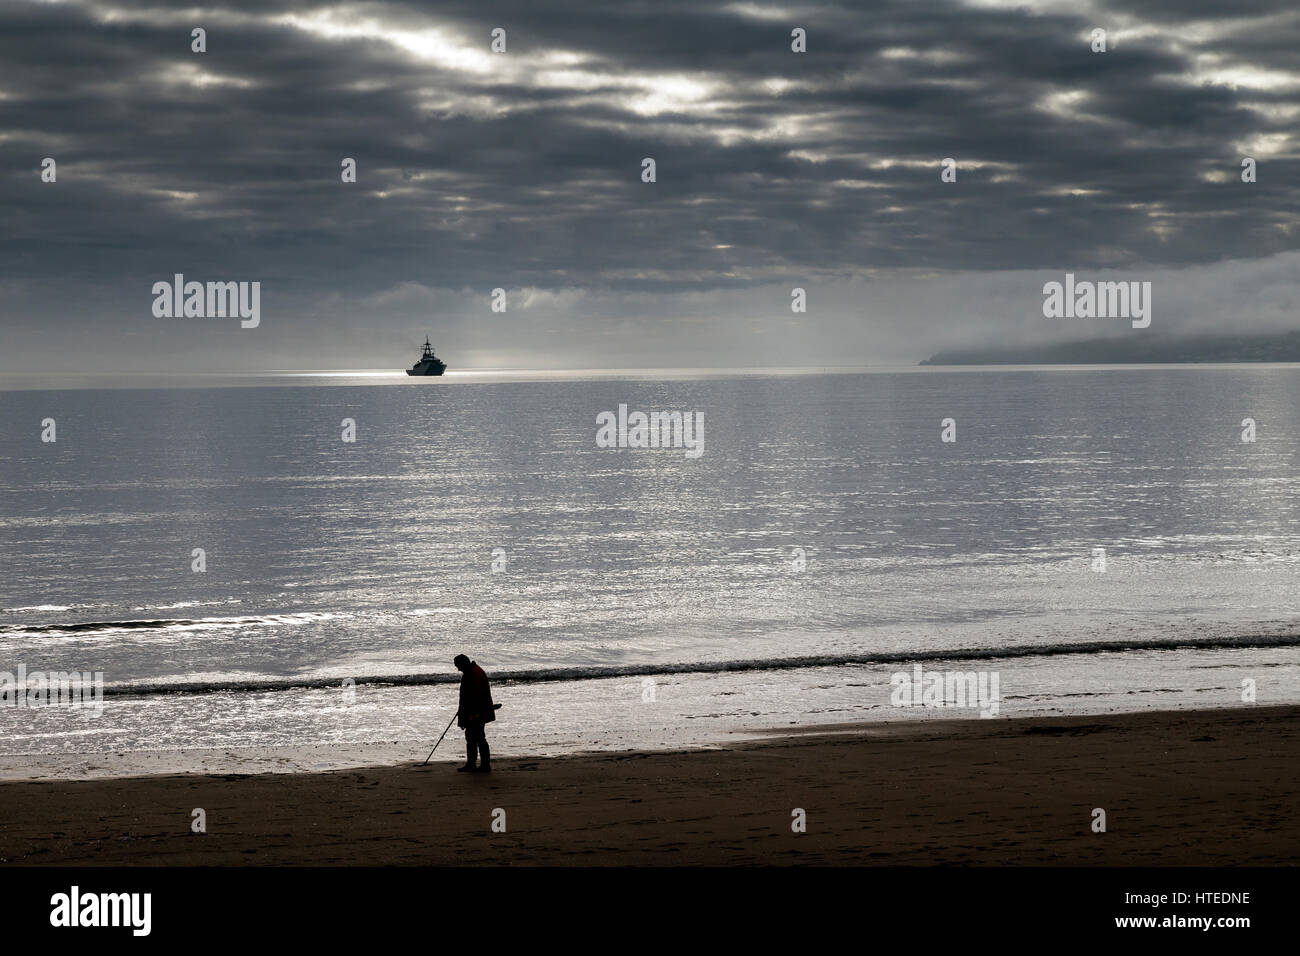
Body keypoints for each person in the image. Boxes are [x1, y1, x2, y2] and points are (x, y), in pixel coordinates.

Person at [454, 654, 495, 773]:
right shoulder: (472, 672)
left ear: (464, 663)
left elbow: (478, 696)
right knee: (473, 737)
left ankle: (482, 765)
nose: (458, 669)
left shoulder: (475, 673)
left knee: (478, 737)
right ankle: (474, 764)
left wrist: (473, 714)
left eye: (458, 666)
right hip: (474, 711)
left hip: (477, 712)